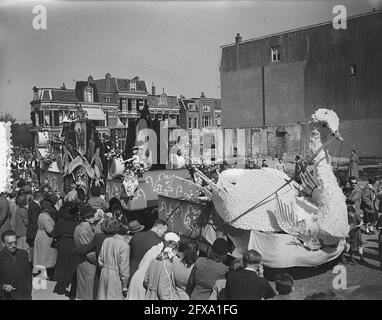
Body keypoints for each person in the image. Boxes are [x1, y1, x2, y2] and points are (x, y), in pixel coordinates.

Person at [50, 202, 79, 296]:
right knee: (72, 265)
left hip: (63, 244)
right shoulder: (77, 223)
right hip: (73, 244)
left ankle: (63, 281)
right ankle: (72, 285)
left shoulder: (60, 222)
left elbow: (54, 234)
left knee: (63, 264)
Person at [97, 221, 130, 300]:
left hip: (104, 272)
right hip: (115, 275)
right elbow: (124, 268)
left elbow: (100, 259)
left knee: (102, 296)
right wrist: (125, 285)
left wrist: (104, 269)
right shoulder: (124, 246)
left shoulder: (106, 240)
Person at [144, 233, 180, 300]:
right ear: (175, 248)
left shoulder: (154, 261)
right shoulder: (168, 265)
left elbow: (146, 281)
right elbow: (163, 289)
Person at [73, 205, 98, 300]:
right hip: (88, 265)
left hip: (84, 263)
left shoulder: (81, 227)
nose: (94, 217)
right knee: (87, 293)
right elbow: (88, 252)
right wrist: (98, 262)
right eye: (92, 215)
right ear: (87, 218)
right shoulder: (83, 231)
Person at [0, 230, 32, 300]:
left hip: (24, 295)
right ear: (3, 244)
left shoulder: (24, 254)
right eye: (10, 243)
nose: (13, 245)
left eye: (15, 242)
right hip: (7, 296)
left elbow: (28, 275)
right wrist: (3, 286)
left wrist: (28, 290)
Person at [33, 208, 57, 279]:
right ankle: (46, 276)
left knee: (39, 257)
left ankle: (39, 276)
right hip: (46, 238)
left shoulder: (41, 214)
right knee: (45, 257)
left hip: (40, 235)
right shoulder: (47, 217)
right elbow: (50, 230)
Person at [26, 190, 43, 260]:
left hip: (31, 231)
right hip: (33, 232)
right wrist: (36, 234)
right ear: (40, 197)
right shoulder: (35, 207)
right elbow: (35, 221)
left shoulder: (33, 205)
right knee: (34, 250)